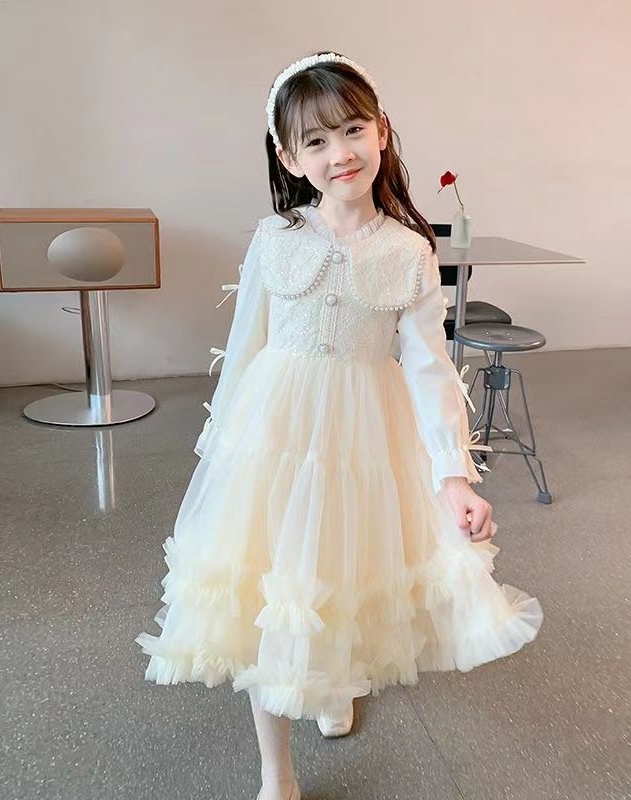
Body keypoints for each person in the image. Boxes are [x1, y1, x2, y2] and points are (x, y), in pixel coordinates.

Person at [135, 51, 542, 800]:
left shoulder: (409, 251)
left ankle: (334, 681)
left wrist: (453, 475)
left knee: (343, 571)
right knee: (273, 590)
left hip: (364, 436)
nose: (339, 153)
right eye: (316, 141)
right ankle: (276, 771)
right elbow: (246, 345)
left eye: (352, 130)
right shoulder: (275, 237)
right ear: (290, 157)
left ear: (381, 131)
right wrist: (222, 448)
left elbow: (429, 368)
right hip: (277, 435)